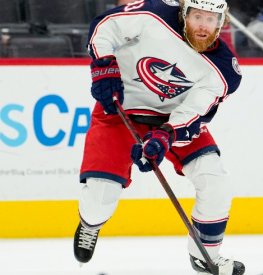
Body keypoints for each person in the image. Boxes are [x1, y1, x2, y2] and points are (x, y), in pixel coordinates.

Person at [72, 1, 245, 274]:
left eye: (210, 19)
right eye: (197, 16)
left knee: (215, 181)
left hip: (171, 121)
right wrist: (104, 66)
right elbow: (105, 26)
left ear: (222, 22)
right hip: (120, 111)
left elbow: (193, 112)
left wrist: (166, 136)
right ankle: (90, 225)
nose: (202, 25)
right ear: (183, 12)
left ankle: (205, 255)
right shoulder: (155, 14)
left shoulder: (224, 70)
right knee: (99, 200)